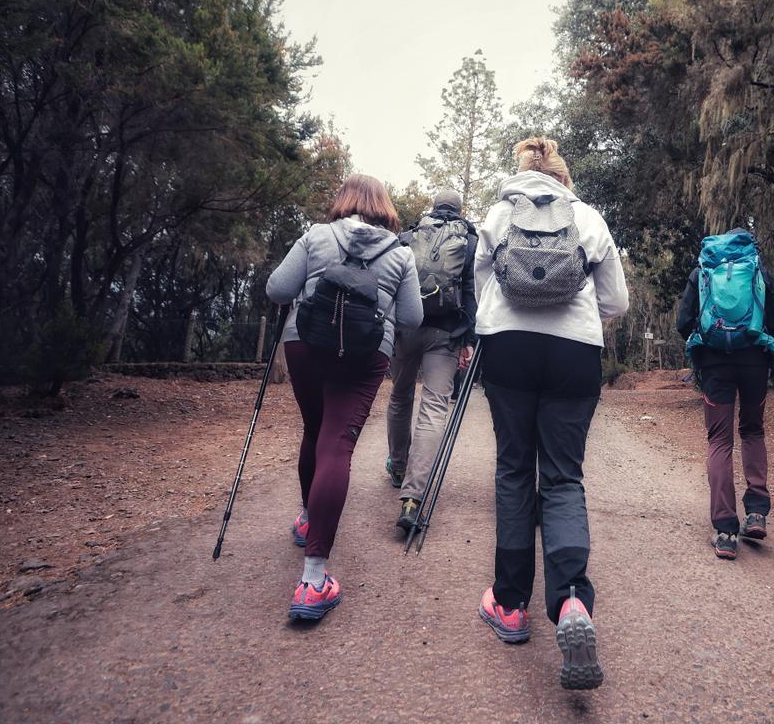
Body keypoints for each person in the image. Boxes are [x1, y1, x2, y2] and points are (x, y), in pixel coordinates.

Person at [473, 136, 628, 690]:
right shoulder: (588, 218)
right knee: (563, 478)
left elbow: (481, 291)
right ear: (564, 177)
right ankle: (570, 604)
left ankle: (511, 604)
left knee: (515, 469)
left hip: (508, 348)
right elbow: (616, 303)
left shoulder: (496, 213)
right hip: (574, 352)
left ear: (520, 172)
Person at [266, 174, 422, 619]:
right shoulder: (399, 253)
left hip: (305, 344)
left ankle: (307, 520)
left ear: (344, 201)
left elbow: (277, 289)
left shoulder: (316, 236)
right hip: (365, 354)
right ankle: (313, 581)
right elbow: (411, 318)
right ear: (385, 207)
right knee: (337, 443)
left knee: (314, 430)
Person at [676, 228, 774, 560]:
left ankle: (725, 530)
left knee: (719, 440)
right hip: (755, 359)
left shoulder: (701, 272)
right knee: (753, 430)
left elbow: (684, 321)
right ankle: (756, 512)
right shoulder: (757, 270)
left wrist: (706, 344)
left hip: (714, 364)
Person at [385, 189, 478, 531]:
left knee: (400, 395)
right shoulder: (468, 240)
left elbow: (394, 286)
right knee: (434, 407)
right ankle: (413, 496)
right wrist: (468, 339)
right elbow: (470, 292)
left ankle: (397, 465)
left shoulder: (408, 236)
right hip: (445, 333)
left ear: (433, 207)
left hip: (405, 328)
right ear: (460, 209)